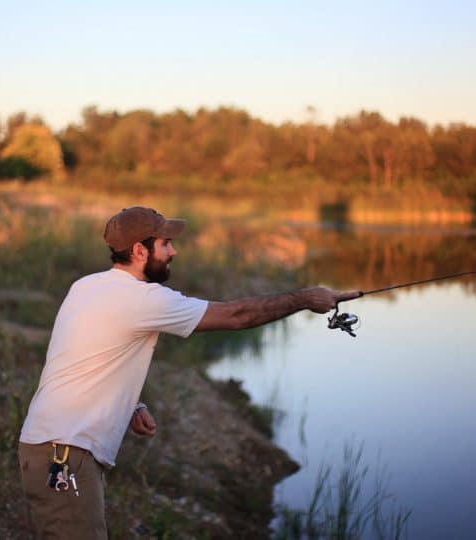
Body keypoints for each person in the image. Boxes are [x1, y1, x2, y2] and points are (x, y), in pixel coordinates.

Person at [18, 206, 361, 539]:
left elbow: (81, 354)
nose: (174, 251)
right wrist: (305, 298)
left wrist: (131, 404)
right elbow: (236, 316)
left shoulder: (87, 286)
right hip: (64, 454)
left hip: (51, 448)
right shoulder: (143, 299)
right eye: (165, 244)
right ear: (140, 250)